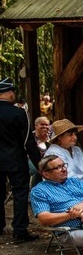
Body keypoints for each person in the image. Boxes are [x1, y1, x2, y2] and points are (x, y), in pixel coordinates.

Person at [0, 78, 42, 242]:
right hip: (15, 161)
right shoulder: (19, 113)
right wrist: (38, 162)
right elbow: (27, 141)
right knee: (20, 194)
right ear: (9, 93)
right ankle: (19, 230)